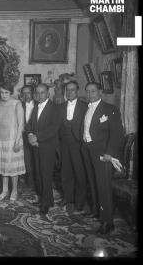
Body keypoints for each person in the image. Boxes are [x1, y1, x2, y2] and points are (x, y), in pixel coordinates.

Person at [81, 82, 124, 234]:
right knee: (93, 183)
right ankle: (97, 211)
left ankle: (108, 222)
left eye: (93, 91)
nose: (89, 94)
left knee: (103, 187)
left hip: (103, 154)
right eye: (87, 91)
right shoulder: (87, 108)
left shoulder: (110, 109)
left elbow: (117, 134)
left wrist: (109, 153)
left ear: (100, 92)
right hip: (87, 150)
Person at [25, 84, 60, 215]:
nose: (40, 95)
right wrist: (29, 135)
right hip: (36, 146)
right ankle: (45, 199)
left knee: (45, 175)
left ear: (48, 93)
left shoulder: (54, 108)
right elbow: (29, 125)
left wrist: (37, 137)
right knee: (38, 174)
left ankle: (45, 203)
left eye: (42, 93)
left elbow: (53, 128)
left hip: (47, 147)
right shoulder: (36, 108)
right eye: (37, 93)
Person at [57, 81, 88, 215]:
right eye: (67, 90)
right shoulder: (60, 107)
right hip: (64, 144)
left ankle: (79, 202)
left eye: (73, 90)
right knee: (66, 173)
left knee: (80, 174)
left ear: (78, 91)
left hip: (79, 145)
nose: (70, 92)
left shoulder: (85, 107)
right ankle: (67, 197)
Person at [0, 82, 25, 202]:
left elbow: (21, 124)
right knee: (3, 168)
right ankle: (4, 190)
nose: (4, 95)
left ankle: (14, 190)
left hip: (13, 141)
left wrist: (17, 141)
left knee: (12, 168)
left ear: (11, 93)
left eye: (6, 92)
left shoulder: (17, 104)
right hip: (1, 141)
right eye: (2, 92)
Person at [20, 85, 38, 192]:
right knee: (27, 161)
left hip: (36, 137)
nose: (26, 95)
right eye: (24, 93)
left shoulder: (38, 105)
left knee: (37, 159)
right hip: (23, 136)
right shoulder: (19, 105)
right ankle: (30, 184)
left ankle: (38, 182)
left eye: (28, 93)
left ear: (33, 93)